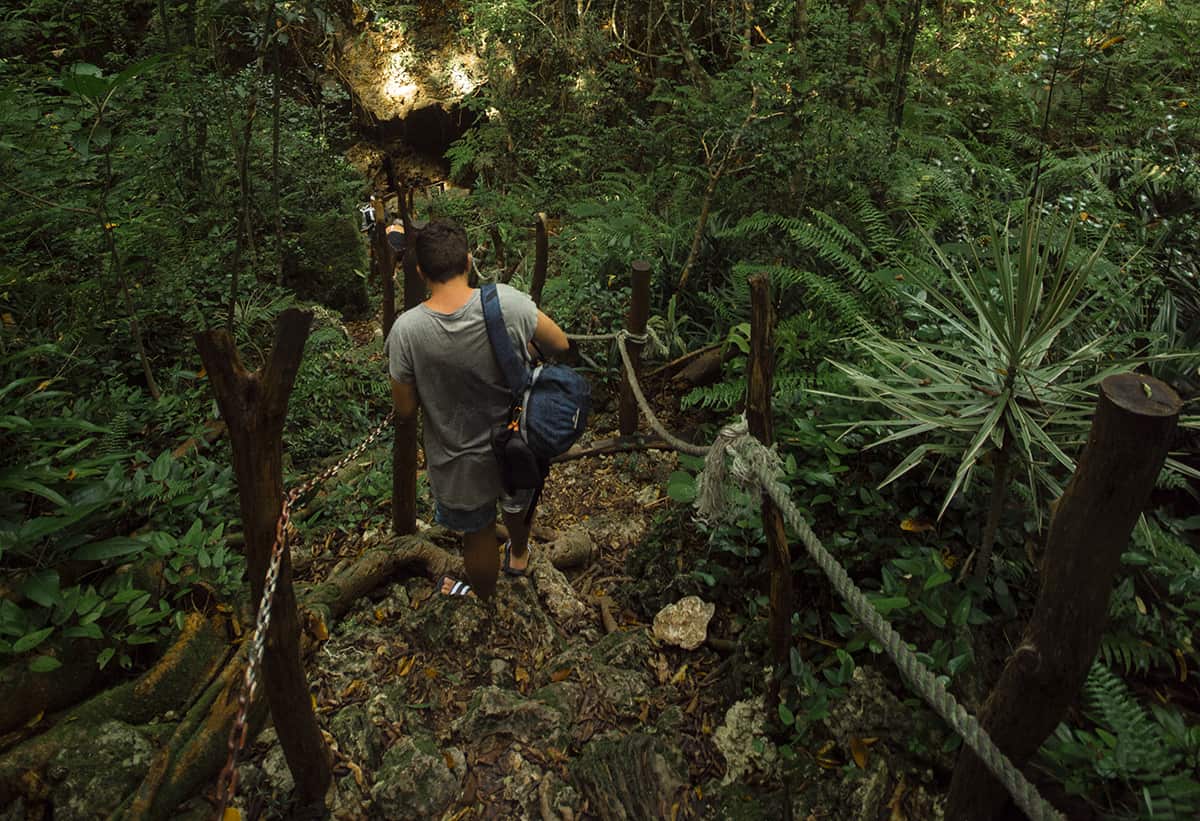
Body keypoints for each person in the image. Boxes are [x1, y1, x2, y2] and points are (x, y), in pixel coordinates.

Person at [386, 220, 569, 599]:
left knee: (479, 533)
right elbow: (560, 344)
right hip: (519, 441)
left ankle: (484, 598)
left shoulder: (406, 331)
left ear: (420, 272)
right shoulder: (507, 302)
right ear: (468, 262)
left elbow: (404, 410)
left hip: (457, 461)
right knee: (517, 505)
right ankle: (519, 551)